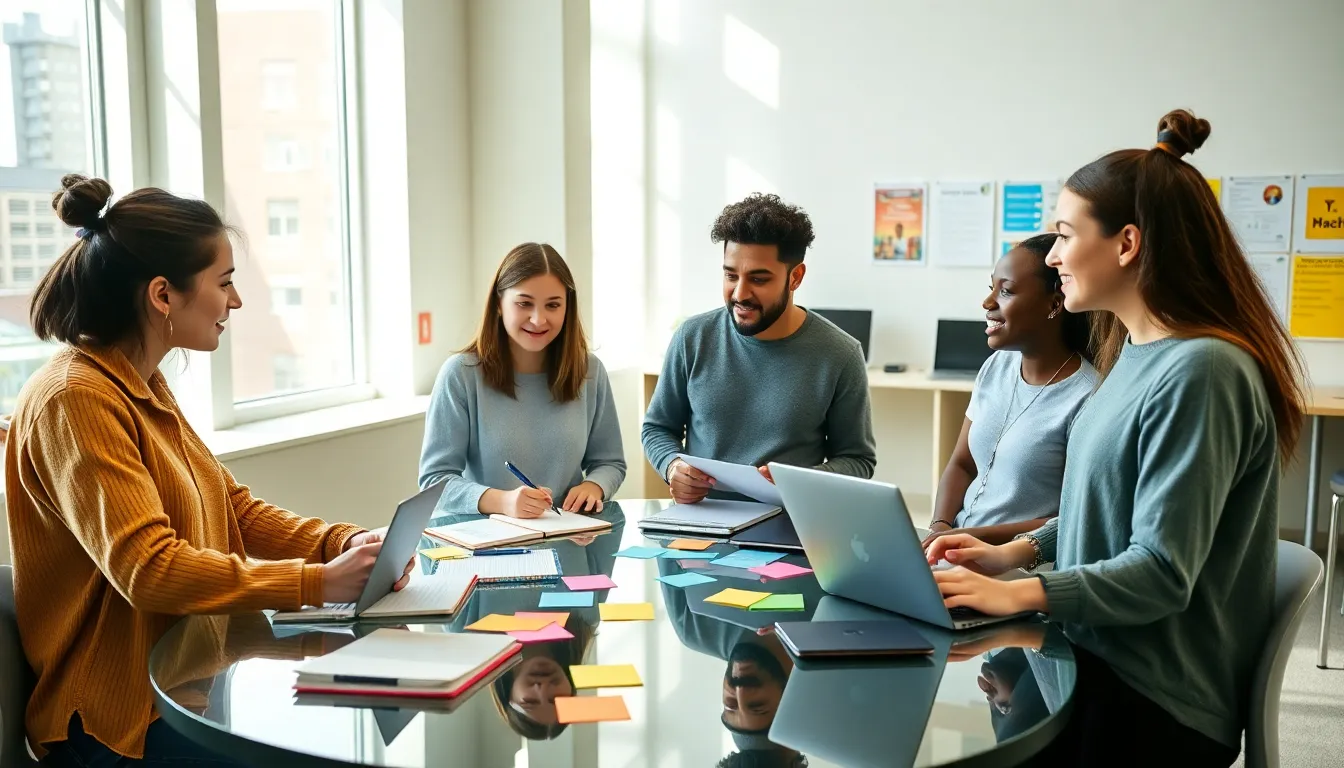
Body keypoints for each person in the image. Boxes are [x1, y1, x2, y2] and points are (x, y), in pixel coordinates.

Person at [926, 110, 1304, 767]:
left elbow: (1161, 572)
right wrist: (1013, 554)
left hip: (1153, 697)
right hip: (1090, 651)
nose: (1052, 256)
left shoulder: (1204, 371)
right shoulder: (1132, 355)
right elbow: (1097, 508)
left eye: (1065, 235)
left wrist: (1020, 594)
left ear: (1126, 243)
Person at [5, 175, 407, 765]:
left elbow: (231, 507)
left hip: (188, 686)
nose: (235, 302)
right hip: (113, 723)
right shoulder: (75, 398)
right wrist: (318, 583)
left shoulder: (140, 381)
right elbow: (148, 568)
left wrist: (341, 544)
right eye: (224, 283)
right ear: (163, 295)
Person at [642, 193, 876, 504]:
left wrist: (799, 482)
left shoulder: (840, 354)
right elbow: (657, 428)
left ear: (795, 277)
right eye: (731, 275)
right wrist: (672, 466)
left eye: (759, 279)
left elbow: (858, 460)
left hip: (790, 521)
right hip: (701, 520)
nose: (740, 293)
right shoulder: (692, 337)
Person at [419, 243, 626, 517]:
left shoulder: (590, 371)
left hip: (569, 532)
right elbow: (434, 480)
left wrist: (594, 485)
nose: (538, 319)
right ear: (499, 304)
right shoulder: (460, 374)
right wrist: (503, 502)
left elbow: (610, 462)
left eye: (553, 305)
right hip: (487, 537)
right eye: (524, 303)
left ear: (567, 308)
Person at [925, 233, 1096, 546]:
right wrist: (939, 528)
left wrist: (967, 538)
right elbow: (962, 463)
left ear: (1054, 304)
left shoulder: (1088, 396)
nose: (988, 302)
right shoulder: (996, 366)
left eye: (1006, 291)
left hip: (1018, 562)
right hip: (956, 549)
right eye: (991, 287)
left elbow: (1072, 518)